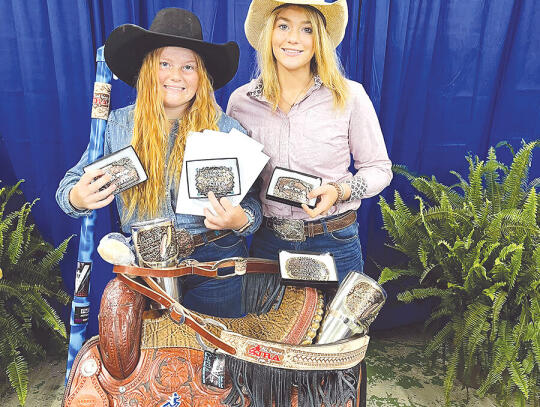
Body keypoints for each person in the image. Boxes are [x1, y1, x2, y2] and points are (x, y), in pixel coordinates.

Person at [56, 8, 261, 317]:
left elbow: (255, 209)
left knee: (217, 359)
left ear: (201, 75)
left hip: (217, 263)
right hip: (147, 265)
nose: (176, 76)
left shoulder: (228, 130)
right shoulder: (117, 126)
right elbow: (68, 190)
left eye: (188, 67)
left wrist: (240, 220)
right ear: (149, 69)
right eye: (165, 64)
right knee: (156, 357)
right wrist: (78, 196)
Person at [227, 0, 392, 280]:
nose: (293, 38)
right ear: (269, 33)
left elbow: (379, 169)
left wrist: (340, 191)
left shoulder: (349, 96)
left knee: (339, 325)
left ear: (320, 40)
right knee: (270, 326)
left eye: (307, 29)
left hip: (334, 239)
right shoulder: (242, 102)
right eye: (283, 26)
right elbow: (238, 181)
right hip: (269, 243)